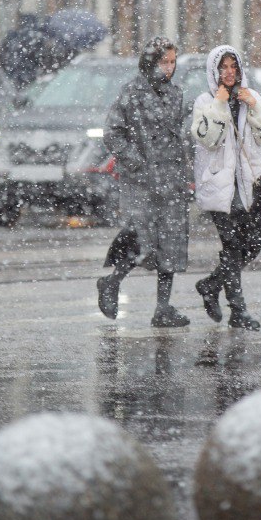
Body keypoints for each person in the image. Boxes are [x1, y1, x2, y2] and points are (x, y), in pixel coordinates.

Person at [96, 37, 192, 327]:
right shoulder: (132, 93)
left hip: (172, 181)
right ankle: (112, 282)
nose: (170, 68)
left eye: (173, 62)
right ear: (150, 61)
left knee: (171, 243)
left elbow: (181, 135)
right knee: (142, 238)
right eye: (165, 61)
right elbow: (113, 133)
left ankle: (163, 307)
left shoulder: (176, 95)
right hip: (141, 182)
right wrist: (136, 162)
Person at [190, 45, 261, 331]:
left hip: (248, 185)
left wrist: (255, 106)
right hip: (220, 186)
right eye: (223, 67)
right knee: (232, 247)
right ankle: (238, 309)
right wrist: (219, 105)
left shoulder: (251, 98)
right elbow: (209, 139)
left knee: (252, 247)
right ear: (214, 71)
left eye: (234, 67)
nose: (229, 73)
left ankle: (210, 285)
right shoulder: (204, 101)